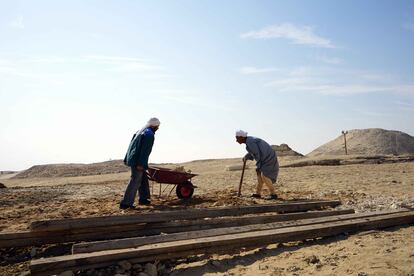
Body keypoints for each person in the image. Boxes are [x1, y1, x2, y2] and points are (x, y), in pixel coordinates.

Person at [120, 118, 160, 209]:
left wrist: (126, 158)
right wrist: (141, 164)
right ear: (155, 126)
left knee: (143, 178)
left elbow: (130, 146)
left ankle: (144, 198)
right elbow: (145, 151)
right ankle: (126, 203)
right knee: (135, 180)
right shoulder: (149, 134)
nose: (158, 128)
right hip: (138, 160)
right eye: (158, 126)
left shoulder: (139, 132)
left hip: (133, 158)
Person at [235, 130, 279, 199]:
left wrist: (259, 165)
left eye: (237, 138)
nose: (236, 140)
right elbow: (254, 152)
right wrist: (246, 156)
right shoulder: (249, 141)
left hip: (268, 158)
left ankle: (273, 194)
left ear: (241, 137)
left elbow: (257, 154)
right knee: (259, 176)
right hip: (265, 158)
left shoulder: (250, 142)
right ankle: (258, 193)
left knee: (264, 176)